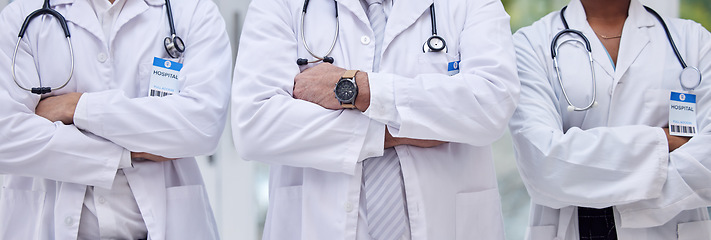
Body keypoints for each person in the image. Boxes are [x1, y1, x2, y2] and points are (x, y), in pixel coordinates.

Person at [232, 0, 519, 239]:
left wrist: (359, 88)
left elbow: (491, 102)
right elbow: (254, 124)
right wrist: (396, 130)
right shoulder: (281, 4)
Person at [0, 0, 231, 238]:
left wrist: (76, 106)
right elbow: (6, 138)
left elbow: (202, 127)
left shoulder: (193, 10)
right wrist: (127, 153)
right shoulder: (22, 14)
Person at [509, 0, 711, 239]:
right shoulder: (531, 44)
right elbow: (544, 165)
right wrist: (662, 140)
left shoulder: (693, 40)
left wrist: (611, 193)